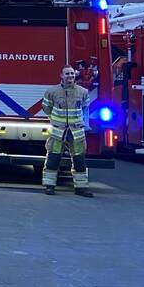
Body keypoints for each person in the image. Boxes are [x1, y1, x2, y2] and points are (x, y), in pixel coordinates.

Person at [41, 66, 93, 197]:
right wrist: (55, 120)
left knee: (79, 161)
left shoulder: (83, 92)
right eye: (67, 74)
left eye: (72, 73)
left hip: (76, 132)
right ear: (61, 76)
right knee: (53, 158)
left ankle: (81, 188)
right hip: (58, 131)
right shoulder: (52, 92)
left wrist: (84, 125)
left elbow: (86, 109)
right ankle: (49, 186)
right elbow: (46, 107)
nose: (70, 76)